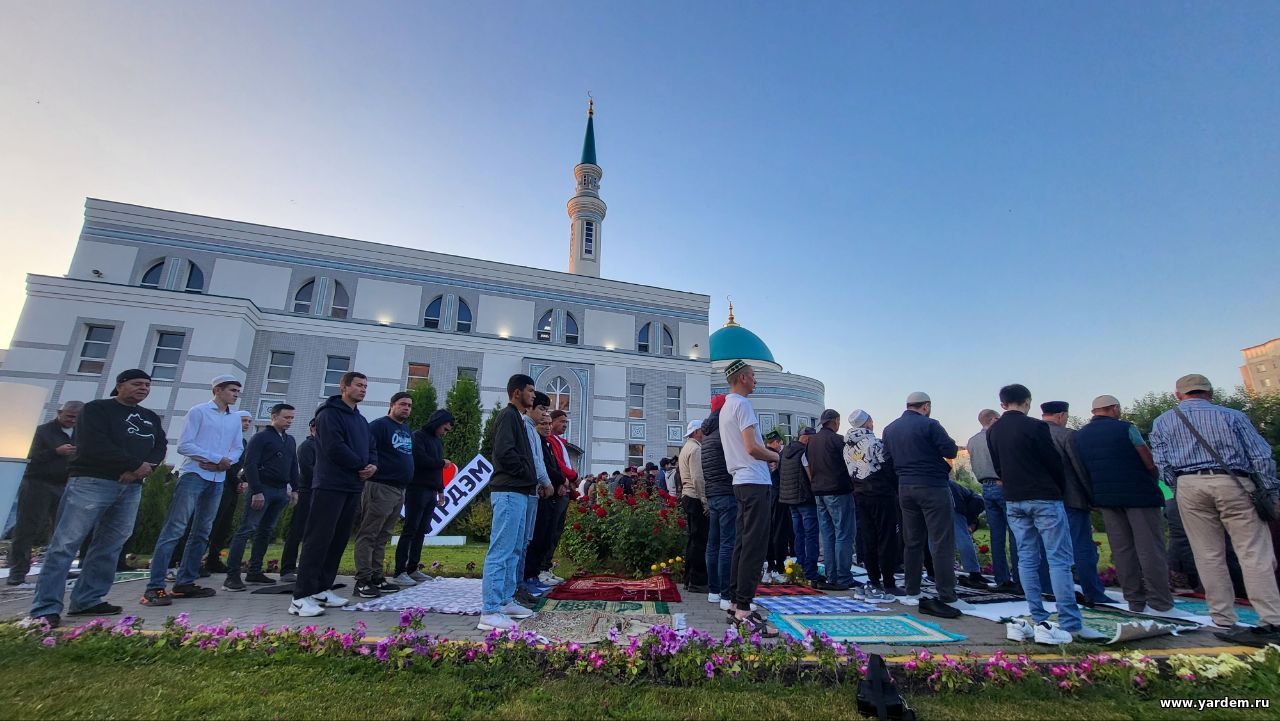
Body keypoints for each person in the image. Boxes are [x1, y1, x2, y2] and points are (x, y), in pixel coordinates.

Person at [1149, 373, 1280, 647]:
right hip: (1234, 480)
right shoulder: (1232, 416)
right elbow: (1260, 455)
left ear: (1178, 395)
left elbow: (1162, 463)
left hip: (1189, 485)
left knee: (1207, 554)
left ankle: (1222, 618)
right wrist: (1268, 489)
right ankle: (1272, 619)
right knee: (1253, 551)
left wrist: (1180, 486)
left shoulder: (1163, 421)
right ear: (1210, 393)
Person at [29, 370, 167, 627]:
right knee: (65, 545)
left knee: (111, 544)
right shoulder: (96, 410)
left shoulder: (149, 417)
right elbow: (95, 444)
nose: (143, 388)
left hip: (131, 487)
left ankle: (88, 599)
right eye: (137, 384)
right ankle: (45, 607)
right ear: (120, 385)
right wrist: (133, 464)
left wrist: (145, 467)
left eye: (147, 385)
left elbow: (160, 445)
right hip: (92, 482)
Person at [987, 384, 1105, 644]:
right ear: (1027, 402)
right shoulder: (1035, 427)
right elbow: (1054, 463)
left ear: (1003, 403)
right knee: (1058, 559)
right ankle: (1070, 623)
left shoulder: (994, 431)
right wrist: (1057, 488)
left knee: (1027, 558)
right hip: (1043, 496)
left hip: (1014, 498)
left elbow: (998, 465)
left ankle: (1038, 618)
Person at [141, 375, 245, 606]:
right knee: (175, 528)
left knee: (202, 531)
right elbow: (185, 445)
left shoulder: (234, 419)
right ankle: (155, 586)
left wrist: (224, 463)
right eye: (232, 390)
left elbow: (238, 447)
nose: (236, 394)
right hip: (194, 475)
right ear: (217, 390)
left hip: (217, 478)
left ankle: (185, 582)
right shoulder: (199, 411)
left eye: (238, 391)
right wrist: (216, 458)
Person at [1073, 394, 1174, 614]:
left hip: (1107, 498)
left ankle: (1134, 600)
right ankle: (1160, 602)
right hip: (1139, 494)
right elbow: (1147, 459)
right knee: (1150, 548)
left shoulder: (1079, 436)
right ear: (1115, 408)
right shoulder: (1126, 428)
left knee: (1122, 549)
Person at [289, 371, 377, 618]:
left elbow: (371, 447)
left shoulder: (360, 420)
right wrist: (361, 465)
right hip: (329, 485)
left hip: (352, 486)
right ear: (343, 386)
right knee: (318, 539)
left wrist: (373, 465)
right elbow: (334, 447)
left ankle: (321, 588)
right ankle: (300, 596)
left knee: (338, 540)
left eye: (365, 386)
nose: (363, 389)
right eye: (359, 385)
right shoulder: (328, 415)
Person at [882, 392, 963, 619]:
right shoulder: (930, 425)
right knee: (941, 541)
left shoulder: (890, 429)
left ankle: (912, 591)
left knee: (912, 541)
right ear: (926, 406)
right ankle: (947, 594)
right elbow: (950, 450)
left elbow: (887, 459)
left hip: (905, 488)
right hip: (932, 486)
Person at [719, 360, 781, 636]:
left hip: (741, 482)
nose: (756, 380)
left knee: (742, 545)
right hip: (754, 482)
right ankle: (744, 610)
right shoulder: (742, 405)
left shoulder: (726, 407)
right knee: (753, 547)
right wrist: (773, 455)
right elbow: (751, 446)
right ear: (742, 377)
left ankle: (735, 603)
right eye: (753, 376)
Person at [478, 374, 540, 631]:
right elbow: (505, 453)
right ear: (517, 393)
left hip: (520, 492)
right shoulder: (507, 417)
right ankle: (489, 610)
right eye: (530, 391)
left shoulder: (518, 419)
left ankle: (505, 600)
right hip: (508, 491)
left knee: (514, 548)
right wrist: (527, 472)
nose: (533, 396)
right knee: (501, 549)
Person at [1040, 400, 1110, 605]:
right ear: (1062, 415)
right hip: (1070, 497)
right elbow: (1078, 468)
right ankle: (1093, 591)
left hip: (1043, 497)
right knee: (1081, 546)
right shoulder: (1067, 435)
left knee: (1046, 547)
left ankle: (1047, 588)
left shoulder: (1031, 434)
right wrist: (1091, 496)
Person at [223, 403, 299, 591]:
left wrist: (295, 489)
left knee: (265, 531)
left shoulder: (289, 440)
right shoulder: (261, 437)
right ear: (274, 417)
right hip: (262, 489)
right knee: (246, 529)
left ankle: (254, 571)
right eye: (285, 417)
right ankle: (232, 576)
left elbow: (292, 466)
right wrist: (256, 490)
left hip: (280, 491)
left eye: (291, 418)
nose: (289, 421)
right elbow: (250, 464)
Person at [7, 401, 82, 586]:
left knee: (62, 530)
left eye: (77, 417)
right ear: (59, 412)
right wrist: (55, 452)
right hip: (37, 483)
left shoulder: (82, 433)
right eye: (69, 416)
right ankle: (17, 571)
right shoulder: (42, 431)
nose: (72, 420)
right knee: (27, 528)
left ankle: (57, 570)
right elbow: (28, 456)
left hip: (65, 484)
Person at [353, 391, 414, 598]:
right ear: (392, 405)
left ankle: (377, 577)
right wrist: (371, 466)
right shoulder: (379, 426)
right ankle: (363, 580)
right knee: (370, 533)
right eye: (403, 404)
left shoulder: (405, 429)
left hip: (399, 488)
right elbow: (365, 447)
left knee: (383, 535)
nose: (406, 408)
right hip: (380, 485)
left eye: (409, 405)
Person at [395, 409, 453, 586]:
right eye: (445, 428)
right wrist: (442, 463)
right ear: (438, 423)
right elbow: (420, 460)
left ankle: (413, 568)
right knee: (410, 529)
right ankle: (399, 571)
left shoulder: (437, 441)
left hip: (431, 492)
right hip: (416, 489)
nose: (445, 432)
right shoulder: (417, 436)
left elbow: (436, 471)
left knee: (422, 531)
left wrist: (441, 490)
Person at [844, 411, 898, 602]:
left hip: (859, 494)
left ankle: (873, 579)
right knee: (886, 537)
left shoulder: (847, 447)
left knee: (868, 538)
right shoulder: (874, 443)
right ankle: (889, 581)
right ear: (866, 424)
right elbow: (888, 466)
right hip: (880, 494)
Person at [967, 409, 1019, 593]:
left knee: (996, 535)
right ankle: (1019, 579)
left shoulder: (972, 441)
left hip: (985, 487)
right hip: (1003, 484)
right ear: (995, 419)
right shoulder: (999, 437)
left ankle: (1001, 578)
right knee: (1015, 533)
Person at [514, 391, 554, 603]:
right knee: (520, 542)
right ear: (530, 408)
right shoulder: (525, 427)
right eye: (541, 409)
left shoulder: (531, 430)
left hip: (532, 489)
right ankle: (518, 584)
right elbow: (535, 460)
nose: (544, 414)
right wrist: (545, 481)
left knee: (526, 539)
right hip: (524, 490)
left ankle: (521, 583)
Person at [812, 408, 856, 592]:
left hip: (818, 492)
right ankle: (843, 576)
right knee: (843, 534)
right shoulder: (838, 440)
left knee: (828, 535)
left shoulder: (812, 441)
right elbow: (851, 463)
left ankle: (831, 576)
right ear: (835, 422)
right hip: (838, 491)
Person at [203, 411, 252, 574]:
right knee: (211, 523)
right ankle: (195, 559)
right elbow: (226, 463)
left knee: (224, 524)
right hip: (220, 483)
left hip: (232, 487)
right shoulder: (226, 438)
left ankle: (213, 558)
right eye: (243, 421)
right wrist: (237, 481)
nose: (246, 424)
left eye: (249, 422)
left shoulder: (242, 441)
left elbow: (243, 464)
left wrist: (242, 481)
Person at [524, 412, 566, 591]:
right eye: (545, 424)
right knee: (537, 536)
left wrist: (562, 479)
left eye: (549, 424)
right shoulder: (537, 442)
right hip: (542, 493)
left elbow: (555, 465)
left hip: (552, 492)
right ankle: (532, 574)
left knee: (547, 535)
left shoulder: (547, 443)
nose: (548, 427)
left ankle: (538, 573)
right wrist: (560, 480)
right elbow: (543, 467)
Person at [535, 409, 578, 586]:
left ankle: (546, 567)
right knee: (548, 531)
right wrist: (570, 479)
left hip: (563, 488)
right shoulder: (549, 441)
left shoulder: (558, 442)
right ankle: (539, 569)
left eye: (566, 422)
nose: (564, 425)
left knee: (555, 531)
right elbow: (557, 466)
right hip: (555, 489)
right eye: (561, 421)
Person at [702, 394, 736, 609]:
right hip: (727, 493)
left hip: (713, 494)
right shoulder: (724, 434)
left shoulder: (707, 436)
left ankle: (713, 590)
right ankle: (726, 594)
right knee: (727, 544)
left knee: (713, 544)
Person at [279, 418, 317, 583]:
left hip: (321, 494)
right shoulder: (307, 446)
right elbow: (308, 470)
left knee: (315, 533)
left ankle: (308, 566)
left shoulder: (326, 446)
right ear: (313, 428)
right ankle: (287, 568)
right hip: (307, 491)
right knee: (297, 531)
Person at [779, 427, 819, 582]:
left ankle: (799, 568)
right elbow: (809, 475)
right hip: (805, 499)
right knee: (811, 535)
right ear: (807, 438)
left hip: (789, 500)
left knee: (798, 534)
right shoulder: (805, 452)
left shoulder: (785, 452)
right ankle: (810, 571)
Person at [678, 419, 709, 593]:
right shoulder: (696, 449)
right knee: (699, 541)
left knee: (692, 539)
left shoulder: (685, 448)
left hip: (687, 496)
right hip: (695, 497)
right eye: (702, 431)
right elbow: (698, 478)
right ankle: (698, 580)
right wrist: (704, 501)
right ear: (697, 432)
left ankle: (689, 578)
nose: (704, 434)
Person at [948, 479, 990, 591]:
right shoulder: (977, 501)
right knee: (963, 538)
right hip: (954, 503)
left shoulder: (967, 493)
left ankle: (939, 571)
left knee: (936, 537)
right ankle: (974, 573)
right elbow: (971, 509)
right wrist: (969, 522)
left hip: (934, 494)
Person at [764, 430, 793, 579]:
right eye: (779, 443)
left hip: (765, 497)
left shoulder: (761, 454)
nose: (781, 445)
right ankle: (779, 564)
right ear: (775, 442)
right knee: (780, 531)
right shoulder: (776, 456)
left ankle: (770, 563)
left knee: (768, 531)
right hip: (778, 497)